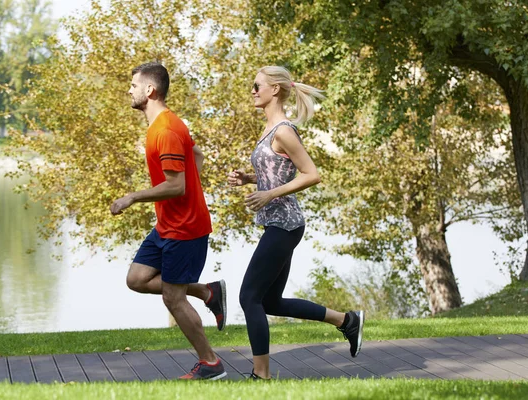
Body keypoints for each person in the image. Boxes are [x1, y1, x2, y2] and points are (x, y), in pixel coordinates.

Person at [228, 66, 365, 380]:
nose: (252, 90)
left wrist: (268, 194)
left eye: (256, 85)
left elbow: (311, 174)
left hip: (285, 224)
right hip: (279, 222)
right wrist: (249, 179)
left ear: (274, 89)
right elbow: (277, 171)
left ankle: (260, 376)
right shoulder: (270, 128)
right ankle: (347, 321)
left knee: (249, 297)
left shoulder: (284, 131)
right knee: (270, 301)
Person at [110, 62, 226, 380]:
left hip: (184, 229)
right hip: (167, 225)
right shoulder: (165, 125)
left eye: (134, 85)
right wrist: (192, 193)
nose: (129, 90)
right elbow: (197, 157)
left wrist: (132, 197)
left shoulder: (165, 130)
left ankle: (210, 363)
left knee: (172, 298)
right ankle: (206, 293)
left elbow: (176, 185)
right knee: (136, 278)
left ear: (150, 90)